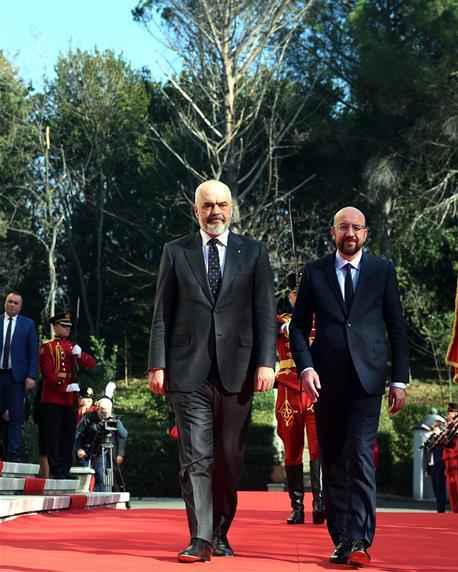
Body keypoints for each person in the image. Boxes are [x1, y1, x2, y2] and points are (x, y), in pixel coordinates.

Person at [147, 179, 276, 563]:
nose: (214, 211)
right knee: (196, 458)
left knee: (229, 458)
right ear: (196, 211)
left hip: (237, 372)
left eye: (221, 204)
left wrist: (266, 362)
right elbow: (161, 314)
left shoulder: (254, 252)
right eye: (207, 206)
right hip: (188, 373)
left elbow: (265, 313)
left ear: (232, 208)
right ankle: (200, 538)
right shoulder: (175, 252)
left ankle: (221, 529)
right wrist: (158, 363)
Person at [289, 206, 410, 568]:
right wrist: (306, 368)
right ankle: (341, 539)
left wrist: (399, 379)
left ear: (366, 234)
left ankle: (360, 538)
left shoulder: (382, 271)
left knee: (359, 454)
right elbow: (297, 328)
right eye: (344, 227)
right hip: (324, 382)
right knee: (334, 461)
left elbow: (397, 327)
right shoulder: (315, 272)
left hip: (368, 380)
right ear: (334, 232)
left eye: (357, 228)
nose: (350, 233)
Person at [275, 289, 325, 525]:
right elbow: (261, 324)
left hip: (315, 387)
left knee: (318, 446)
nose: (298, 297)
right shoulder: (282, 320)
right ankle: (297, 506)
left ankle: (320, 502)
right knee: (292, 447)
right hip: (288, 388)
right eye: (295, 294)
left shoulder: (322, 318)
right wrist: (283, 328)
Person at [38, 312, 96, 479]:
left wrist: (81, 354)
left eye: (69, 326)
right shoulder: (46, 347)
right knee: (54, 435)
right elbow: (47, 373)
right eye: (64, 326)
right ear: (55, 326)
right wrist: (64, 387)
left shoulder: (72, 346)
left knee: (68, 435)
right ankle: (56, 470)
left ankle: (65, 469)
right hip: (53, 398)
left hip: (70, 400)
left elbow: (90, 363)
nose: (67, 329)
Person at [0, 292, 39, 462]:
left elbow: (33, 352)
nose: (12, 305)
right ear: (5, 303)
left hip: (17, 377)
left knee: (15, 416)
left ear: (20, 307)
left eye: (16, 303)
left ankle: (13, 455)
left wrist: (31, 375)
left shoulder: (28, 324)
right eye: (10, 301)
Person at [75, 396, 127, 492]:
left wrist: (116, 422)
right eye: (102, 411)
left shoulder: (113, 417)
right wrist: (79, 448)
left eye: (107, 411)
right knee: (84, 481)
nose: (105, 414)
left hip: (101, 452)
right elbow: (77, 434)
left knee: (101, 479)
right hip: (86, 452)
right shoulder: (89, 417)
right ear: (98, 408)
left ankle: (98, 501)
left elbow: (123, 435)